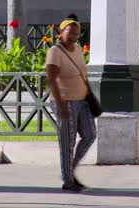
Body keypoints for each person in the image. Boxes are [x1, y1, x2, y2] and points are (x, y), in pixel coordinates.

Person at [46, 14, 97, 192]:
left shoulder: (78, 49)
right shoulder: (55, 51)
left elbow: (83, 74)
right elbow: (51, 79)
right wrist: (60, 106)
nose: (74, 37)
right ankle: (68, 181)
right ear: (61, 33)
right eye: (71, 33)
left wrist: (90, 97)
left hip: (82, 100)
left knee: (90, 135)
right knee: (68, 142)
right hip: (64, 101)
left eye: (77, 34)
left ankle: (69, 169)